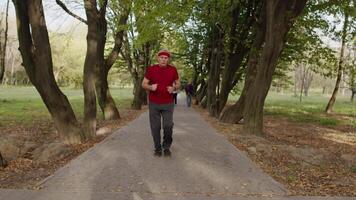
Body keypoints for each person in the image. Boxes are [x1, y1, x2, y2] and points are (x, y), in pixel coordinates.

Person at [142, 49, 180, 157]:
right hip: (154, 103)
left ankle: (166, 146)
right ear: (158, 58)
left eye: (166, 58)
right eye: (161, 57)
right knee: (155, 127)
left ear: (168, 59)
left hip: (168, 103)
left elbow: (178, 84)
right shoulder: (151, 69)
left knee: (168, 126)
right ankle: (157, 149)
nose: (163, 60)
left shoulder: (173, 70)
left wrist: (173, 88)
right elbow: (143, 84)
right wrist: (150, 87)